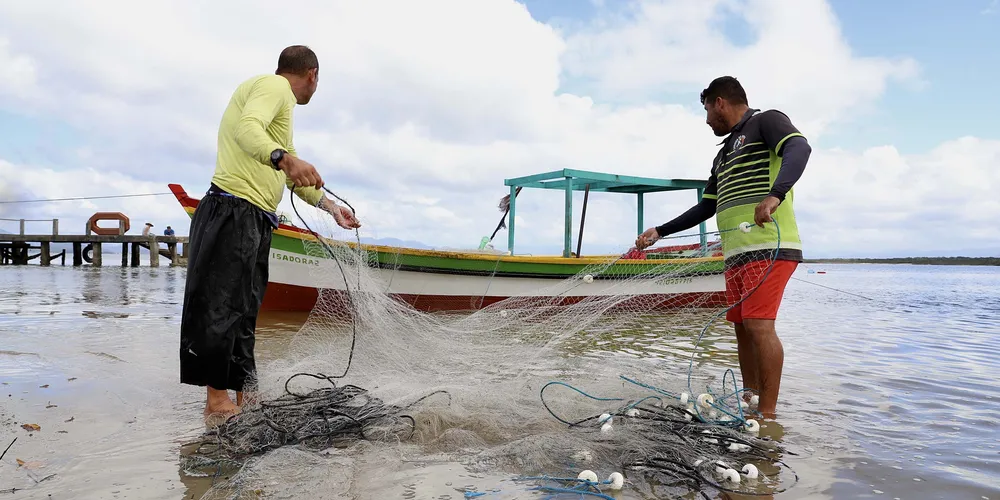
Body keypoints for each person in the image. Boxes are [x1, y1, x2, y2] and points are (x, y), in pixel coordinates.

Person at [180, 45, 361, 420]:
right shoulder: (273, 87)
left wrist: (330, 207)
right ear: (312, 75)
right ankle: (216, 401)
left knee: (246, 312)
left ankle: (247, 395)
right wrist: (283, 157)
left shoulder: (284, 115)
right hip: (232, 207)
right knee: (222, 306)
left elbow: (291, 173)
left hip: (255, 217)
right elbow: (249, 129)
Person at [635, 76, 811, 419]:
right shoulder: (722, 156)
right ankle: (749, 401)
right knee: (742, 327)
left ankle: (769, 415)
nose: (706, 120)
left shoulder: (766, 121)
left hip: (769, 245)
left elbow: (799, 148)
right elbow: (706, 206)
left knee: (760, 325)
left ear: (720, 102)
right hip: (736, 254)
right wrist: (661, 230)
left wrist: (775, 194)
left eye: (706, 110)